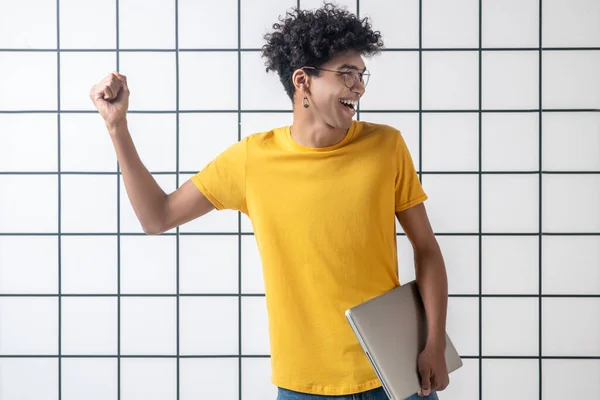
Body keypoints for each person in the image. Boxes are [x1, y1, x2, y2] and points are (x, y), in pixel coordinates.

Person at [90, 3, 450, 399]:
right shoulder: (251, 160)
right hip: (304, 385)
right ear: (303, 81)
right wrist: (117, 127)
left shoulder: (386, 146)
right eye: (346, 74)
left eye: (362, 75)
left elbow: (426, 249)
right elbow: (156, 217)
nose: (359, 87)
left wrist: (433, 344)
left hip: (396, 374)